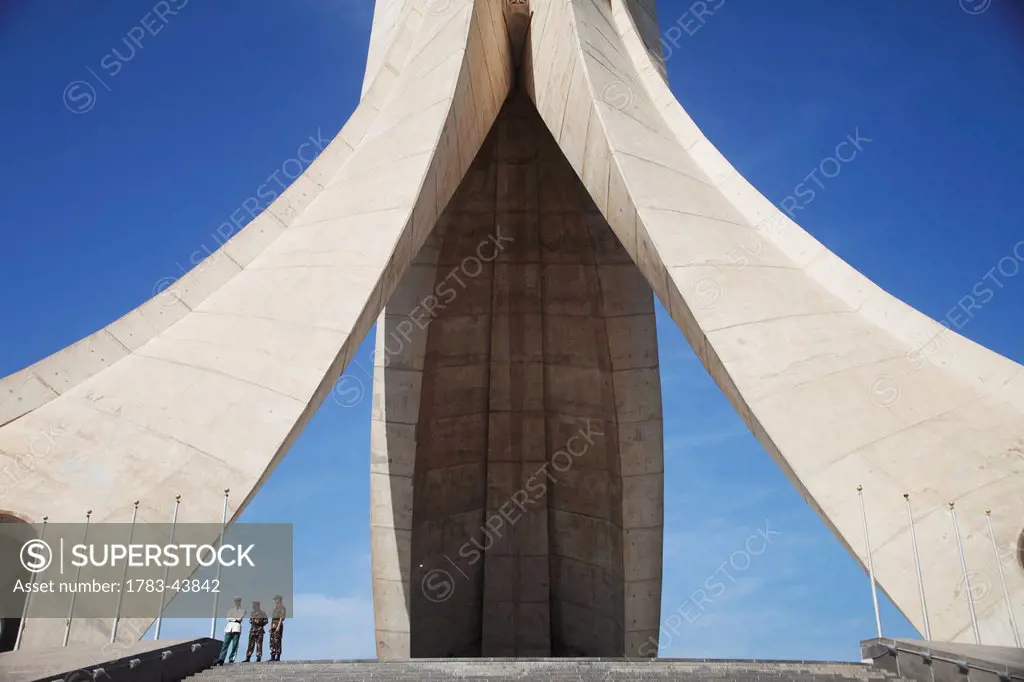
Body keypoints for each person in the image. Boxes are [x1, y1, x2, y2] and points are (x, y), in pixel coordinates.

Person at [214, 597, 246, 666]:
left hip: (236, 628)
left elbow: (239, 618)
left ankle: (231, 658)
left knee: (235, 645)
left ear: (240, 602)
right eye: (236, 602)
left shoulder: (242, 610)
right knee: (225, 644)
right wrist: (234, 618)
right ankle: (221, 659)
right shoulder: (231, 610)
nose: (237, 603)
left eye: (238, 601)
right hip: (229, 628)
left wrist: (233, 618)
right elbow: (228, 617)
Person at [269, 595, 286, 662]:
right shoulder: (275, 608)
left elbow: (282, 617)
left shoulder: (282, 607)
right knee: (272, 640)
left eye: (276, 599)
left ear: (279, 599)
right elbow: (273, 618)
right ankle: (272, 655)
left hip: (278, 624)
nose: (275, 601)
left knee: (277, 640)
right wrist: (270, 627)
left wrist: (278, 626)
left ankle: (277, 656)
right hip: (273, 624)